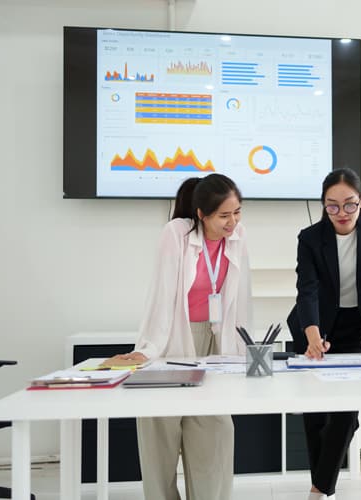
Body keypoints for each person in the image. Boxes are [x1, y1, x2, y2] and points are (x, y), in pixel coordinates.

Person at [107, 173, 251, 500]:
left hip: (215, 344)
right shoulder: (176, 233)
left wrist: (243, 349)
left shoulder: (239, 235)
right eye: (224, 215)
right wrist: (149, 349)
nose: (233, 222)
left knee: (215, 430)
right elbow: (162, 292)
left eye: (237, 212)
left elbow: (242, 295)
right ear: (201, 214)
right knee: (161, 437)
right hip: (170, 340)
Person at [286, 168, 361, 500]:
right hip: (312, 325)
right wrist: (312, 335)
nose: (342, 213)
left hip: (354, 326)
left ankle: (320, 490)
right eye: (332, 206)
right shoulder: (309, 237)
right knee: (315, 415)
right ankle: (322, 484)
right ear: (323, 206)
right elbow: (306, 289)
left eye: (350, 205)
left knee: (346, 411)